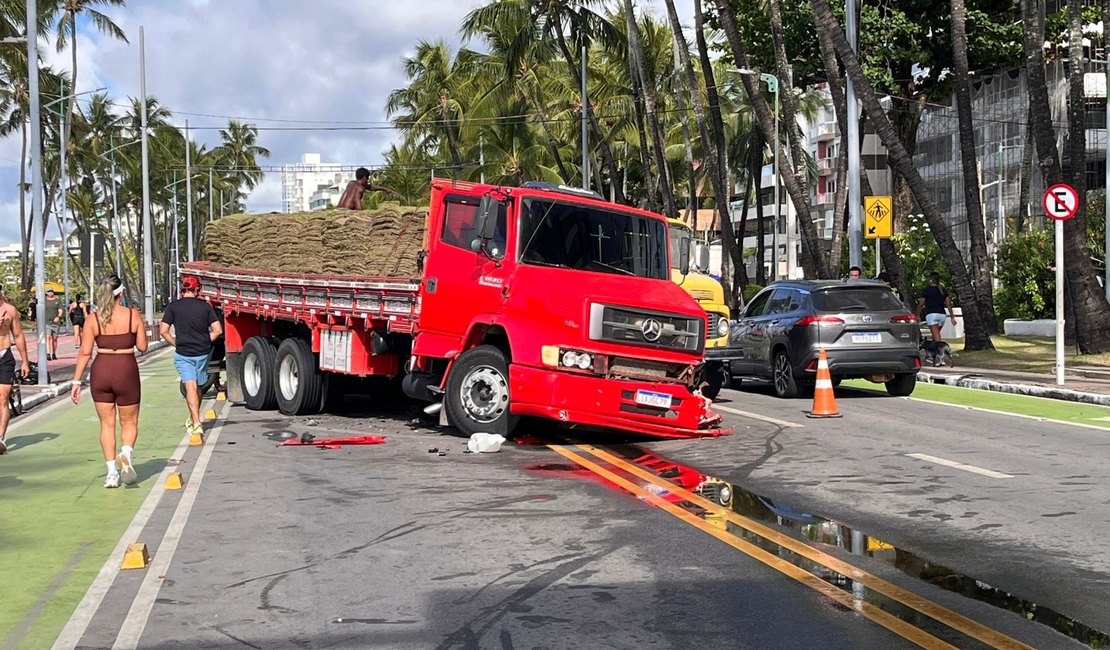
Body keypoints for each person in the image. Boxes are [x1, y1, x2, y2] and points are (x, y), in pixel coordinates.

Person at [70, 275, 148, 488]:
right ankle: (126, 453)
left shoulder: (93, 319)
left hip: (101, 370)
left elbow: (85, 353)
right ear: (121, 294)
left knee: (107, 424)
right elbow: (143, 347)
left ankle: (112, 473)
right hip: (126, 370)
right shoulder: (133, 316)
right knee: (129, 422)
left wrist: (76, 383)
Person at [160, 276, 222, 441]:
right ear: (197, 290)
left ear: (183, 290)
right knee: (196, 387)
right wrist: (204, 340)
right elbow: (217, 330)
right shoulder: (205, 307)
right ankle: (196, 421)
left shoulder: (173, 307)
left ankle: (194, 420)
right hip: (202, 354)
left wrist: (176, 343)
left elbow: (163, 330)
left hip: (184, 354)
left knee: (193, 388)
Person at [0, 289, 31, 455]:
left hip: (4, 357)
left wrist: (25, 361)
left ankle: (0, 438)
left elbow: (18, 335)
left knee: (3, 398)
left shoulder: (10, 310)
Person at [917, 272, 956, 343]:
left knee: (936, 337)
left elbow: (921, 304)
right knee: (935, 335)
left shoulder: (927, 290)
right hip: (942, 315)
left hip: (931, 315)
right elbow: (948, 304)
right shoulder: (942, 290)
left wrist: (918, 315)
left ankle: (940, 351)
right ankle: (933, 352)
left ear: (931, 280)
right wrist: (952, 317)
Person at [43, 287, 63, 360]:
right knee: (48, 337)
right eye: (49, 291)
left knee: (55, 338)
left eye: (51, 291)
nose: (50, 293)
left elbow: (60, 310)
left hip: (55, 322)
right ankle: (48, 353)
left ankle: (54, 353)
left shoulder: (57, 301)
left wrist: (58, 316)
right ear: (46, 293)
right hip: (47, 322)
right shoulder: (44, 301)